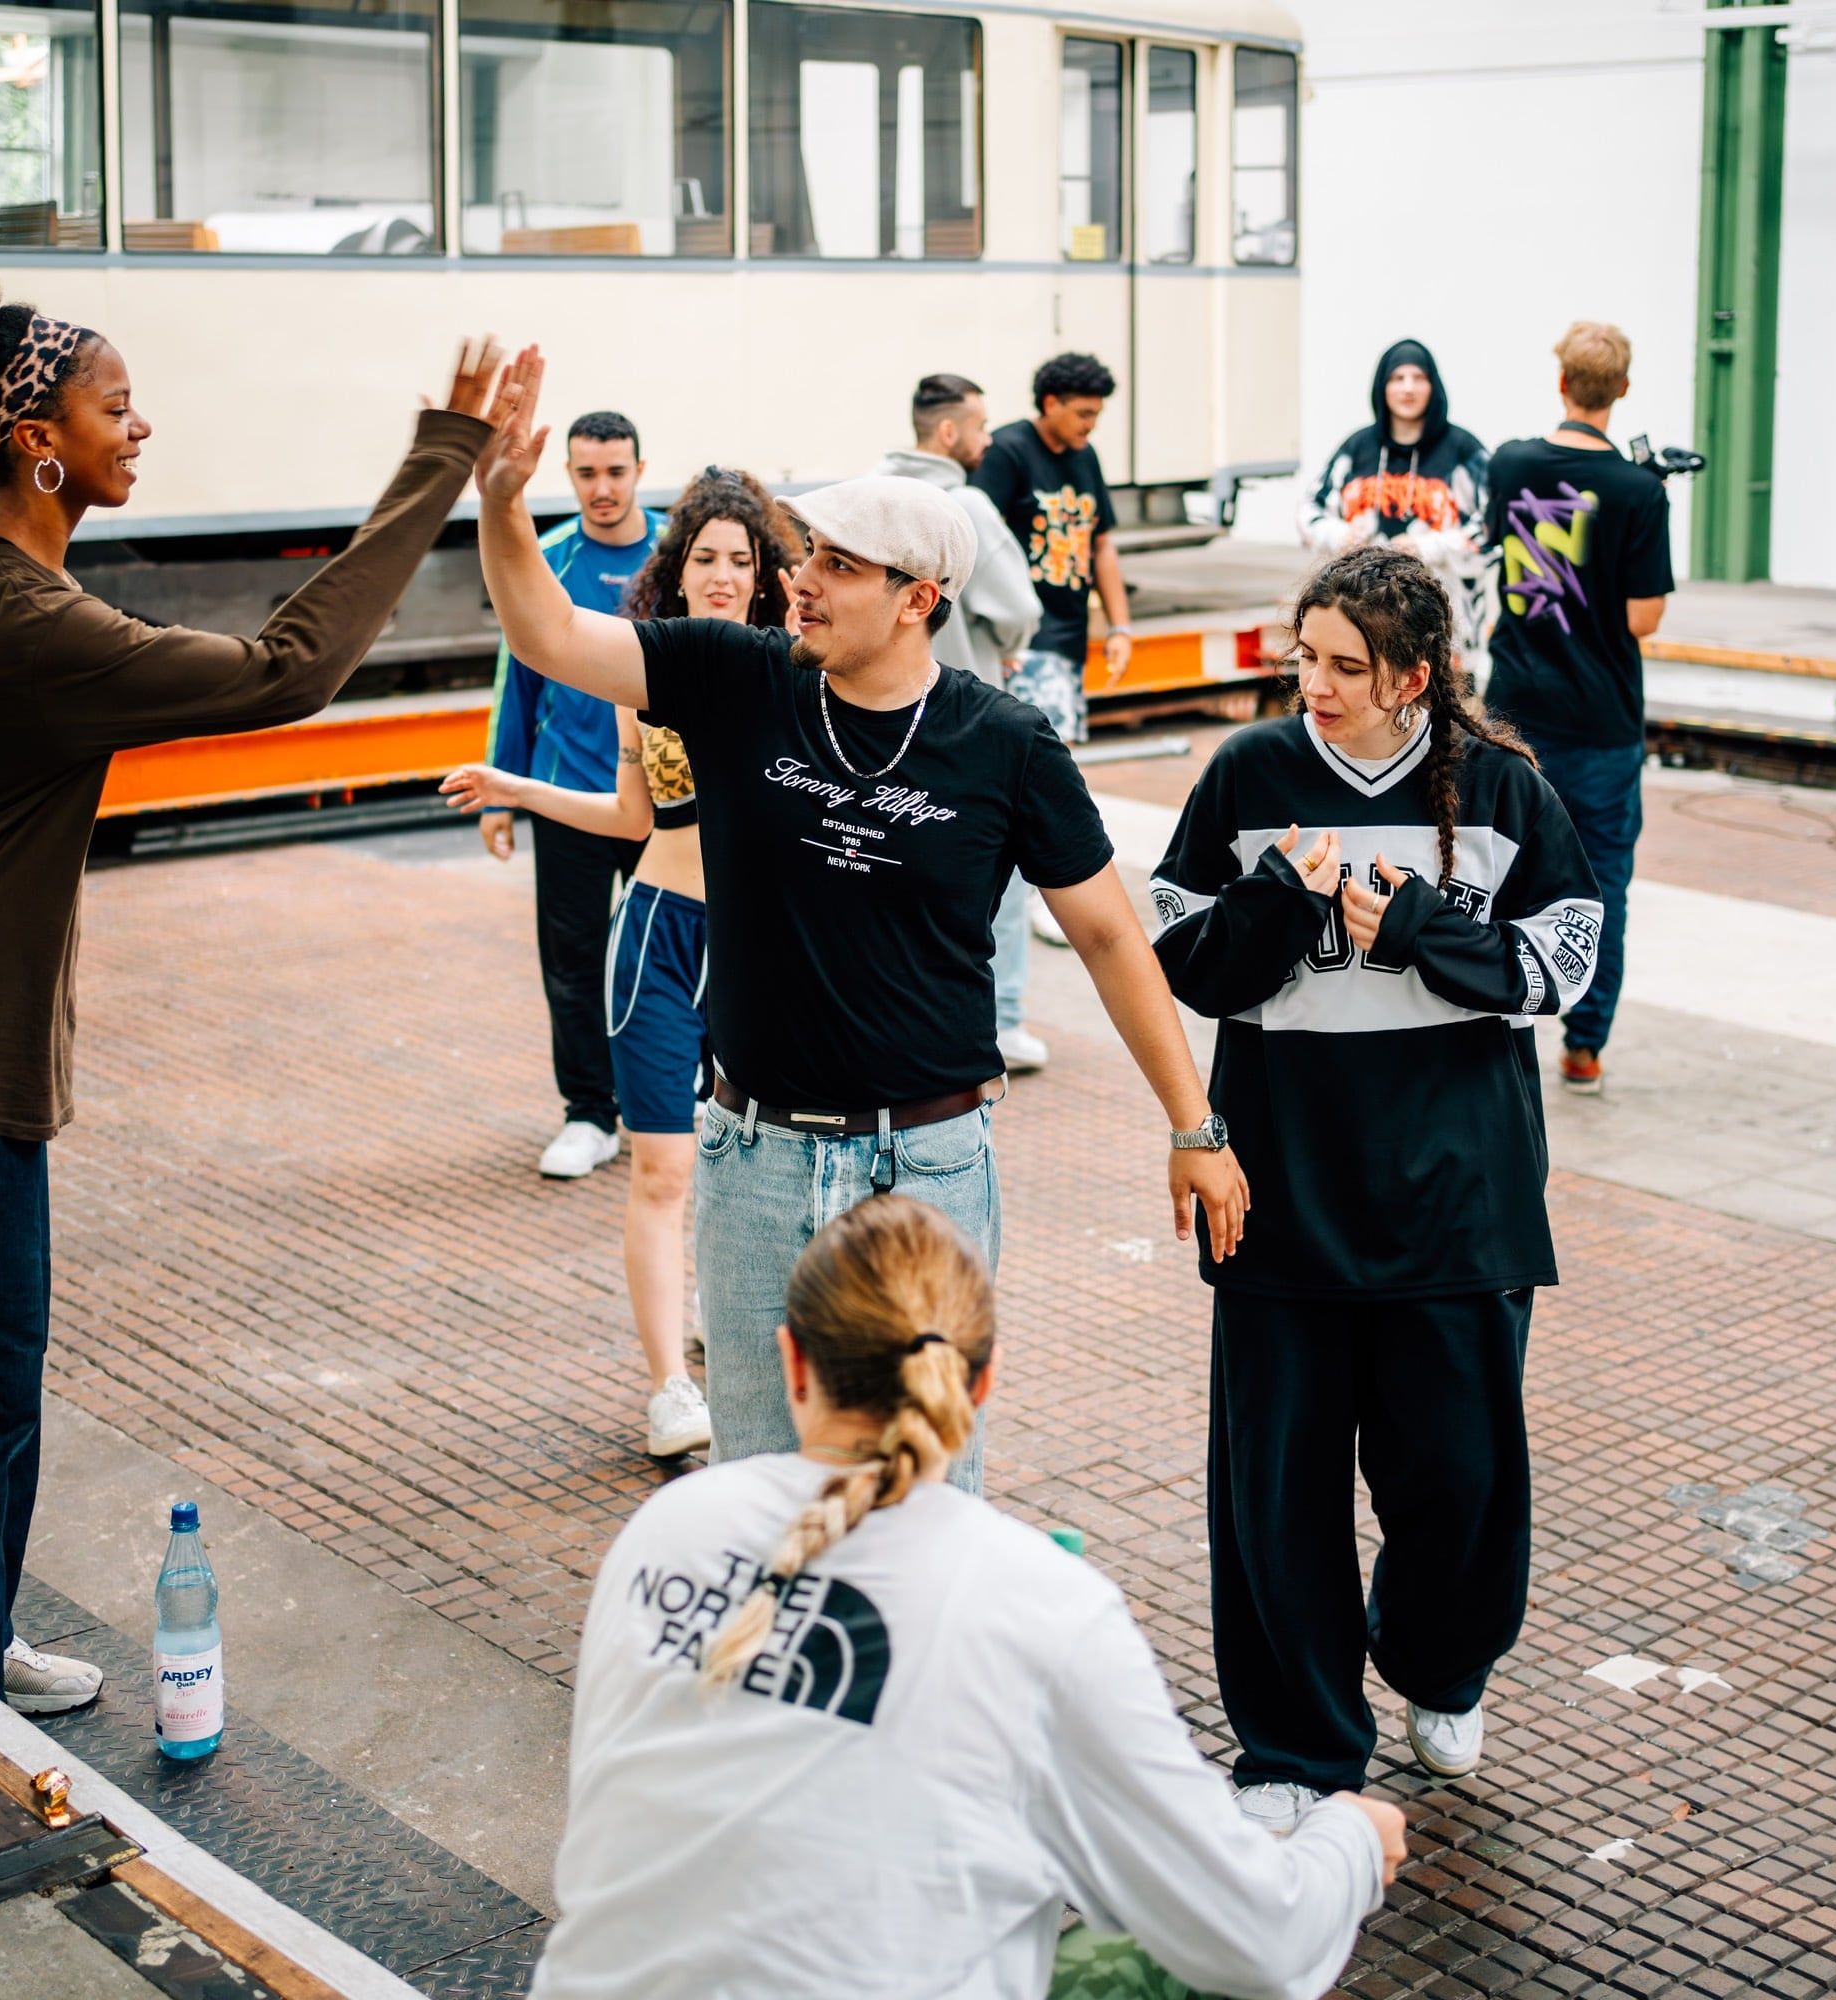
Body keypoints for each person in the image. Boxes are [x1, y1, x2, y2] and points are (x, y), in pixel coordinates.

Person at [0, 267, 496, 1707]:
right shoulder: (28, 620)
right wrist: (444, 457)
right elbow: (284, 672)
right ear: (37, 438)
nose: (142, 429)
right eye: (115, 407)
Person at [463, 346, 1248, 1484]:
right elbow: (546, 634)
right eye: (809, 555)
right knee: (759, 1488)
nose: (803, 580)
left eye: (838, 564)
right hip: (755, 1156)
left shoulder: (1004, 742)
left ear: (920, 598)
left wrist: (1195, 1124)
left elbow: (1112, 935)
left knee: (927, 1491)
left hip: (925, 1166)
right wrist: (497, 502)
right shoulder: (739, 678)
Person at [529, 1195, 1402, 2000]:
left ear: (793, 1359)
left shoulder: (666, 1527)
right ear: (978, 1385)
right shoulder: (1046, 1608)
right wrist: (1352, 1841)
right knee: (1156, 1961)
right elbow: (1259, 1936)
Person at [1149, 545, 1599, 1827]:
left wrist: (1411, 931)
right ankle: (1297, 1747)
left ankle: (1441, 1660)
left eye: (1347, 666)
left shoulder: (1503, 789)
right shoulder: (1248, 776)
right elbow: (1187, 957)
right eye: (1304, 659)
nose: (1317, 686)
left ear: (1415, 675)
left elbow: (1565, 961)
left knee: (1459, 1482)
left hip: (1459, 1205)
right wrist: (1285, 902)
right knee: (1276, 1493)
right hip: (1281, 1197)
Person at [439, 470, 800, 1460]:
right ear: (676, 569)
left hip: (763, 948)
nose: (722, 574)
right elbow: (631, 818)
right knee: (662, 1163)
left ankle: (736, 1333)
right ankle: (670, 1389)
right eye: (705, 557)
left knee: (758, 1157)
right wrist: (513, 784)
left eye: (741, 557)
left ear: (767, 572)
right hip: (659, 934)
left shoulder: (795, 670)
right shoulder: (647, 679)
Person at [1477, 320, 1673, 1100]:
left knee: (1494, 872)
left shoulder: (1511, 463)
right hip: (1600, 723)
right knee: (1601, 883)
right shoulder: (1639, 490)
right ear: (1622, 389)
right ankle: (1583, 1050)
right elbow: (1642, 620)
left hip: (1514, 711)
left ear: (1560, 382)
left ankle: (1494, 1013)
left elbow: (1499, 553)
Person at [481, 410, 663, 1180]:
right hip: (567, 797)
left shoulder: (679, 556)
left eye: (616, 471)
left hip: (662, 801)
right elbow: (515, 682)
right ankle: (590, 1114)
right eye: (586, 472)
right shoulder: (547, 558)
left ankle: (685, 1095)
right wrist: (501, 793)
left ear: (639, 471)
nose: (602, 488)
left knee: (675, 955)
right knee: (574, 961)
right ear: (569, 475)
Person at [877, 372, 1051, 1073]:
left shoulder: (874, 494)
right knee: (999, 876)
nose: (986, 440)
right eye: (980, 427)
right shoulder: (967, 503)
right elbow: (1019, 608)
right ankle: (1002, 1020)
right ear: (948, 433)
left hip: (883, 722)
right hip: (963, 720)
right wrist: (1007, 652)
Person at [1299, 339, 1491, 674]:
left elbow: (1491, 527)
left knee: (1445, 720)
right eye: (1397, 378)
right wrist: (1341, 535)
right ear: (1382, 387)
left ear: (1433, 386)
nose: (1408, 388)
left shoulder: (1462, 451)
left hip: (1447, 631)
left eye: (1418, 378)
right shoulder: (1357, 449)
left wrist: (1429, 546)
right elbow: (1309, 513)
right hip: (1364, 629)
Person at [973, 351, 1132, 750]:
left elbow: (1101, 545)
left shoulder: (1086, 457)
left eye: (1096, 414)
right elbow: (976, 539)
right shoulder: (1008, 451)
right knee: (1042, 757)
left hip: (1070, 634)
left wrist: (1120, 628)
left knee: (1052, 756)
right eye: (1082, 414)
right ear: (1050, 403)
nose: (1091, 425)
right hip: (1028, 637)